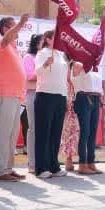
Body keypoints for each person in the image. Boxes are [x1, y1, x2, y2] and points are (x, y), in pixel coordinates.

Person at [0, 14, 29, 181]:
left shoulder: (13, 49)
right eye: (12, 26)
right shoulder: (1, 44)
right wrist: (21, 23)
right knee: (2, 133)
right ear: (6, 29)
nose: (18, 29)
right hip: (4, 94)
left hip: (15, 96)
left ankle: (7, 167)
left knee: (12, 134)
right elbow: (7, 37)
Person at [34, 30, 69, 179]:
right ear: (48, 39)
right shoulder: (42, 53)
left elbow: (64, 78)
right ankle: (41, 168)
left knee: (56, 133)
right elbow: (38, 72)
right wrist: (45, 64)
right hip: (45, 95)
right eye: (55, 37)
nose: (58, 40)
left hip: (60, 96)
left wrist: (66, 97)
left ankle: (54, 166)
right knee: (43, 133)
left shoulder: (61, 55)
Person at [71, 60, 103, 175]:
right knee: (85, 132)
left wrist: (102, 100)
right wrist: (79, 65)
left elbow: (99, 86)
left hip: (95, 98)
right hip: (83, 98)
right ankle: (82, 164)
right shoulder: (79, 63)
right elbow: (73, 78)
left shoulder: (95, 67)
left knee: (93, 132)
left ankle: (91, 162)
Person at [22, 33, 41, 174]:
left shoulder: (45, 57)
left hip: (45, 94)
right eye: (42, 41)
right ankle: (32, 162)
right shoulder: (29, 57)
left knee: (44, 130)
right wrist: (44, 70)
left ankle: (43, 161)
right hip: (33, 94)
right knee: (33, 128)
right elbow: (29, 77)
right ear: (36, 43)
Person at [60, 67, 80, 171]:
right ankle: (67, 160)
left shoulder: (73, 83)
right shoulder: (63, 84)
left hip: (73, 114)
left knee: (72, 136)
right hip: (65, 113)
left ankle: (69, 159)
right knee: (66, 136)